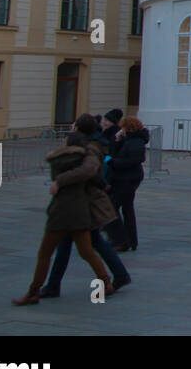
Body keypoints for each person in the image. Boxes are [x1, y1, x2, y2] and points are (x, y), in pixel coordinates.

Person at [12, 131, 115, 305]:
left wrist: (59, 180)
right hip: (80, 211)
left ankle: (33, 292)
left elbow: (56, 171)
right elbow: (91, 174)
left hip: (61, 212)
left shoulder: (60, 160)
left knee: (45, 253)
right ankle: (106, 282)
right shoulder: (85, 160)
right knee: (87, 251)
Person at [37, 114, 131, 298]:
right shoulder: (85, 145)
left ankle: (114, 276)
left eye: (74, 125)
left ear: (79, 129)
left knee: (84, 245)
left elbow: (89, 171)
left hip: (83, 203)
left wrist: (60, 181)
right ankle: (54, 285)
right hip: (76, 203)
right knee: (80, 244)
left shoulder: (90, 148)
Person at [107, 116, 149, 251]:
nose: (121, 130)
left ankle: (121, 239)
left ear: (129, 128)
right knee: (127, 208)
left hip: (128, 179)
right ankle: (130, 240)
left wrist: (112, 162)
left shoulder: (136, 141)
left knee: (113, 207)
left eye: (123, 127)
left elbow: (134, 159)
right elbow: (116, 153)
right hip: (124, 178)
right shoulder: (129, 140)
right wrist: (117, 140)